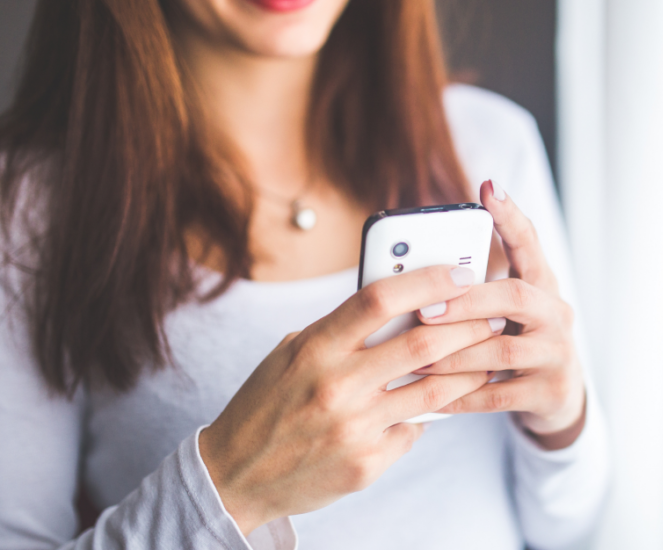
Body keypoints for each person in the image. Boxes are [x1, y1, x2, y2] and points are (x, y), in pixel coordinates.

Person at [0, 0, 609, 548]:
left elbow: (572, 529)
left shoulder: (488, 147)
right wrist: (231, 488)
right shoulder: (29, 207)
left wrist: (561, 421)